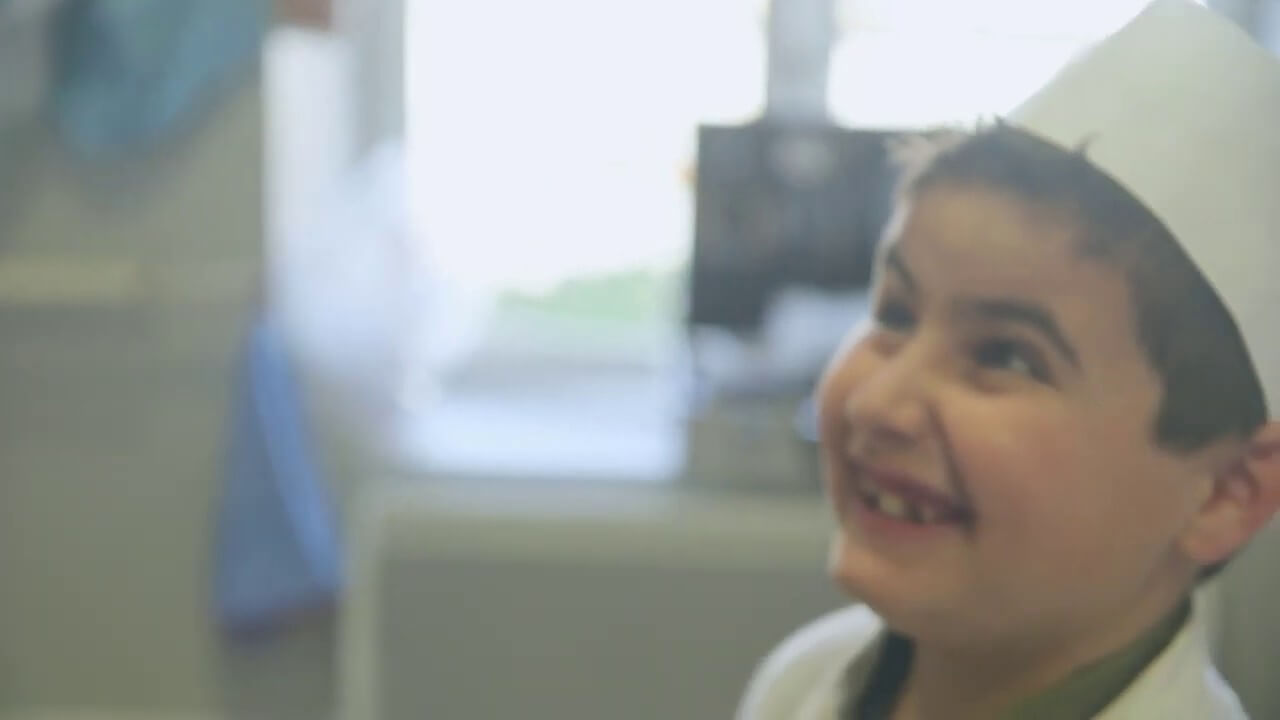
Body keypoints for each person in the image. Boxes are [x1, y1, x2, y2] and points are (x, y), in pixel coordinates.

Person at [736, 1, 1280, 718]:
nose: (878, 403)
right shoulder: (805, 680)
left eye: (1006, 356)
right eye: (895, 313)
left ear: (1226, 490)